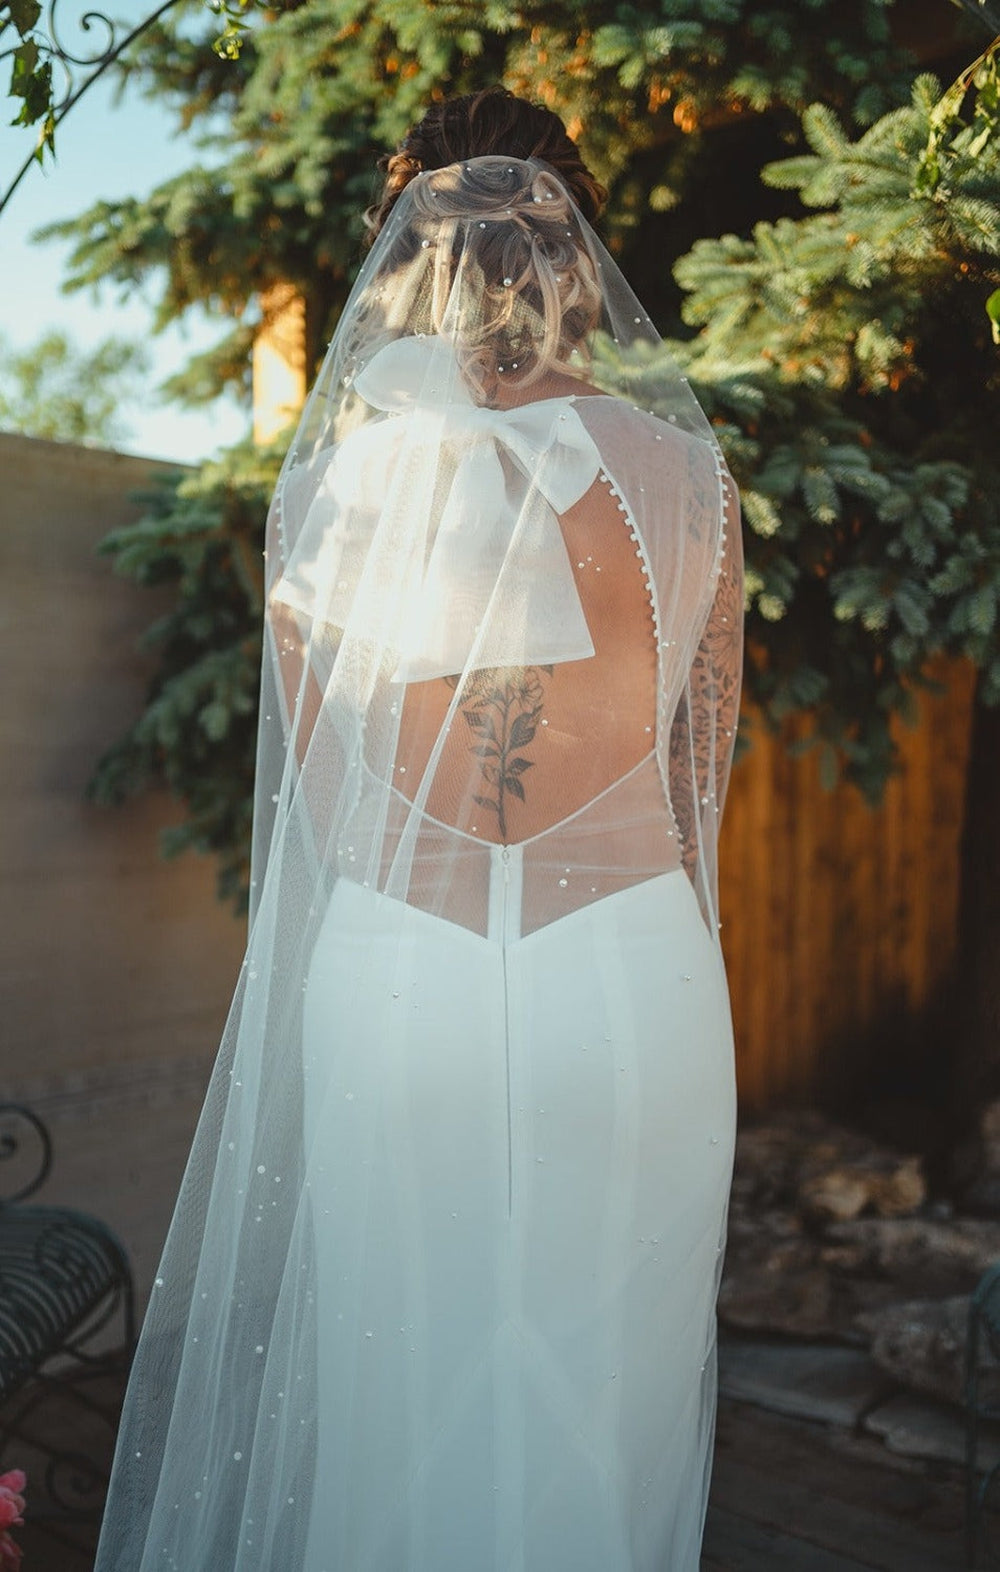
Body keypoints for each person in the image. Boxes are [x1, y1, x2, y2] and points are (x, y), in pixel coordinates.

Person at [93, 86, 743, 1572]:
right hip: (627, 981)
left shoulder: (332, 487)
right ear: (576, 247)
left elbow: (328, 811)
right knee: (606, 1409)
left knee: (397, 1398)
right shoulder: (689, 476)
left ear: (401, 249)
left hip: (398, 983)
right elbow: (705, 762)